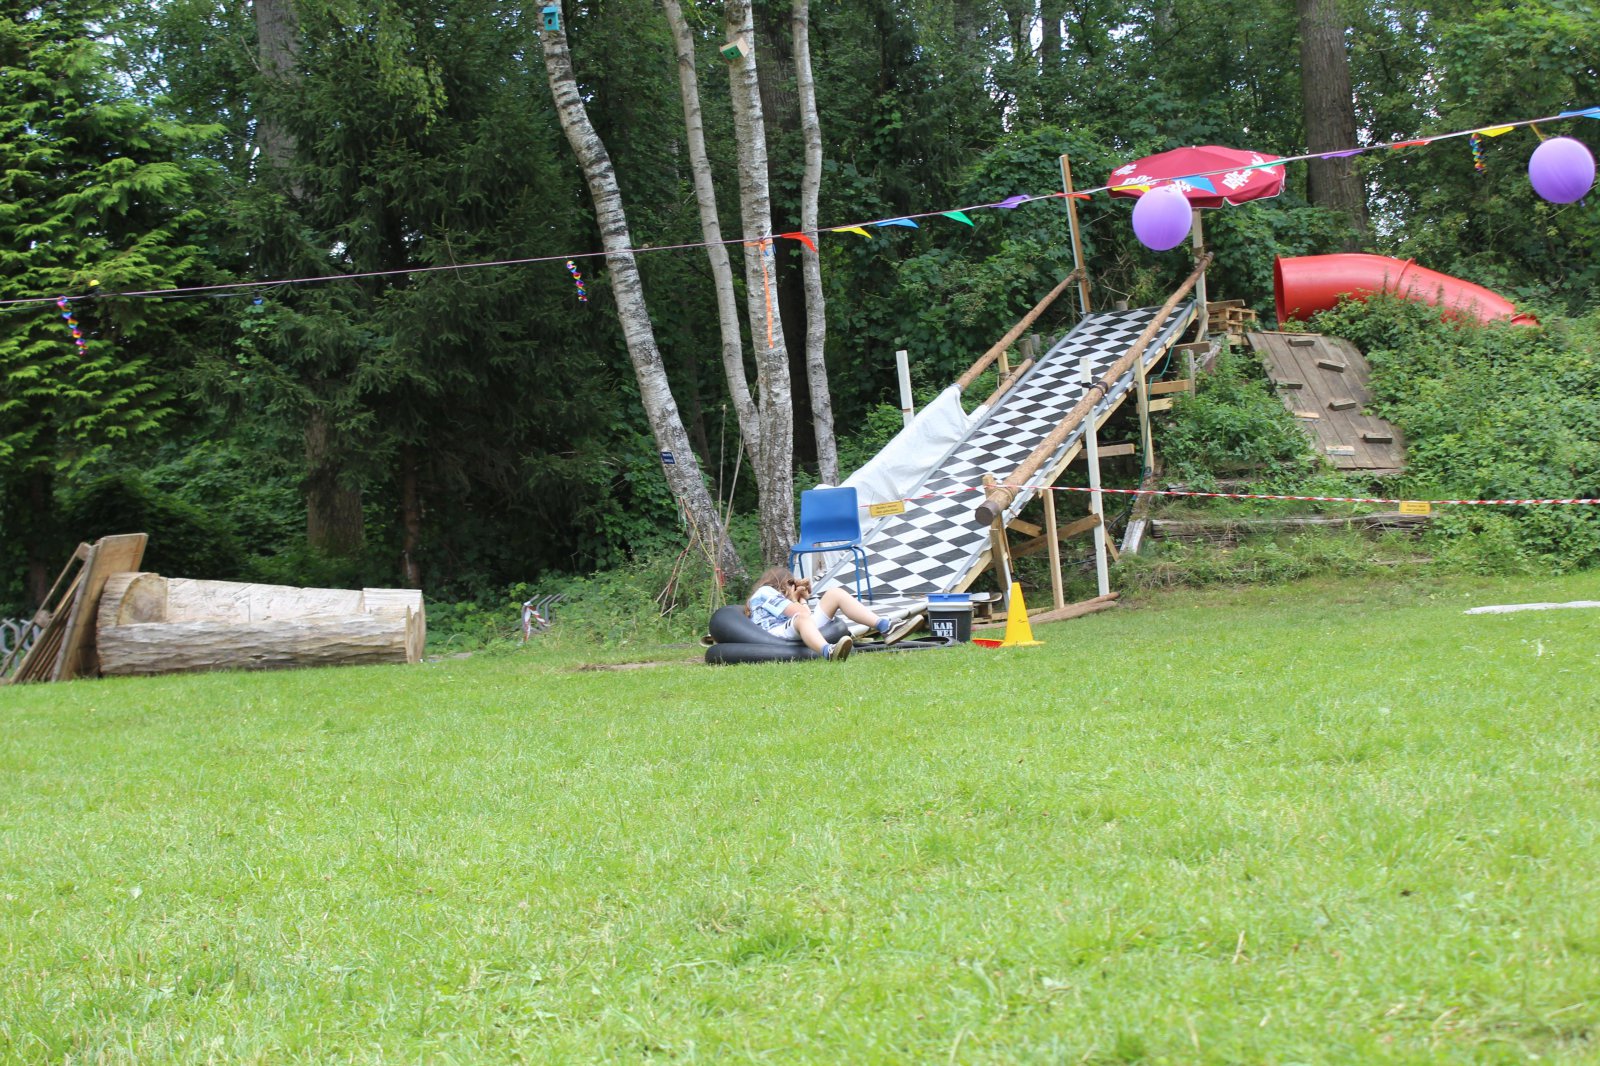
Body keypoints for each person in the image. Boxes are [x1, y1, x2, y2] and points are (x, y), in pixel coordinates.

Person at [745, 565, 921, 662]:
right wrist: (795, 598)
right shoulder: (765, 592)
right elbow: (799, 615)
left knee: (834, 593)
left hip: (791, 626)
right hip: (772, 633)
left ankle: (885, 626)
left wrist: (802, 598)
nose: (793, 586)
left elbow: (804, 616)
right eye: (791, 583)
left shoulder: (787, 601)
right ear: (782, 582)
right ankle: (828, 651)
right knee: (801, 618)